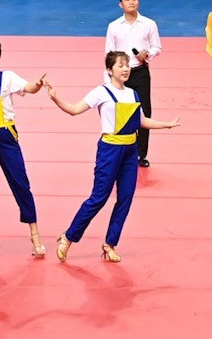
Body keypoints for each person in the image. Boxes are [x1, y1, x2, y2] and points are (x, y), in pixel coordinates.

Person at [49, 50, 179, 264]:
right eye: (120, 65)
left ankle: (109, 244)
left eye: (127, 64)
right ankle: (68, 236)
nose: (126, 68)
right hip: (109, 151)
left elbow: (141, 121)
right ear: (109, 70)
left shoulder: (132, 94)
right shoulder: (100, 92)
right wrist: (56, 98)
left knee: (126, 198)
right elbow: (74, 110)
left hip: (130, 150)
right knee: (99, 197)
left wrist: (166, 125)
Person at [0, 34, 47, 261]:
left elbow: (29, 87)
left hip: (6, 138)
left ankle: (34, 233)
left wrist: (37, 85)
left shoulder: (8, 78)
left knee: (21, 183)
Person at [102, 0, 162, 166]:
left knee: (144, 112)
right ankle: (122, 151)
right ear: (121, 4)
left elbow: (157, 47)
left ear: (138, 2)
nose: (131, 2)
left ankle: (140, 154)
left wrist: (148, 53)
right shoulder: (113, 26)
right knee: (122, 113)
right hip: (120, 75)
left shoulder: (149, 24)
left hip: (141, 72)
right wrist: (108, 80)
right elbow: (108, 54)